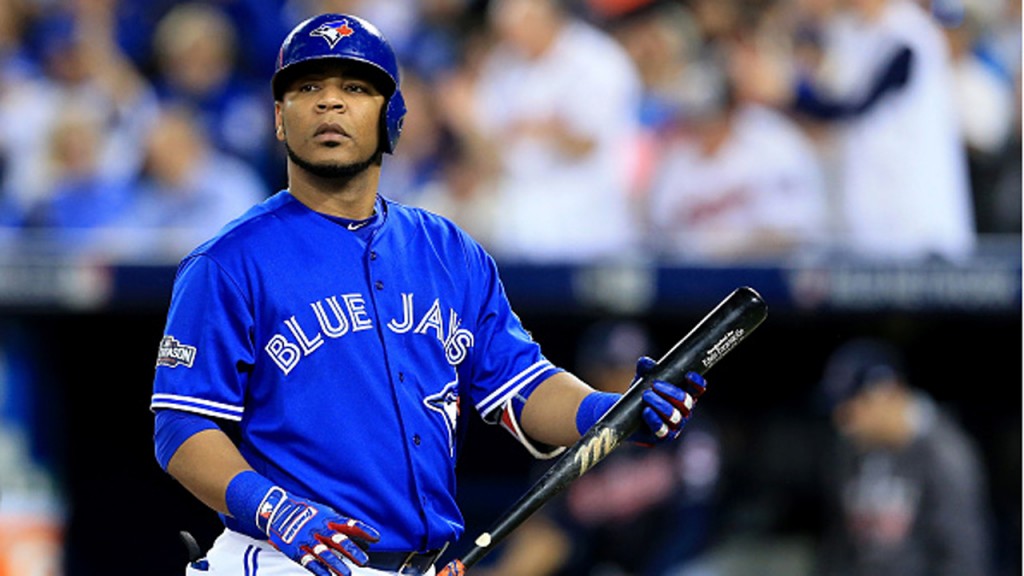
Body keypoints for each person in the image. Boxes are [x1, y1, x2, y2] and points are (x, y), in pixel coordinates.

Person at [150, 13, 709, 576]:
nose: (329, 104)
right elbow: (180, 427)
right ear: (278, 117)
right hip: (286, 559)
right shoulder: (226, 263)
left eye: (355, 87)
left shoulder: (448, 250)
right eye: (307, 88)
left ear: (392, 115)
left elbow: (523, 385)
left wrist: (608, 411)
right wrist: (273, 510)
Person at [468, 321, 722, 576]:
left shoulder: (682, 424)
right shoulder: (570, 437)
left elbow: (695, 519)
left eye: (627, 369)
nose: (620, 379)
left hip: (691, 559)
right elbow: (551, 528)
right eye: (609, 368)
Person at [814, 337, 994, 576]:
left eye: (851, 409)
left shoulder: (945, 452)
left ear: (882, 392)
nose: (843, 422)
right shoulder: (849, 450)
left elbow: (963, 555)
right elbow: (840, 544)